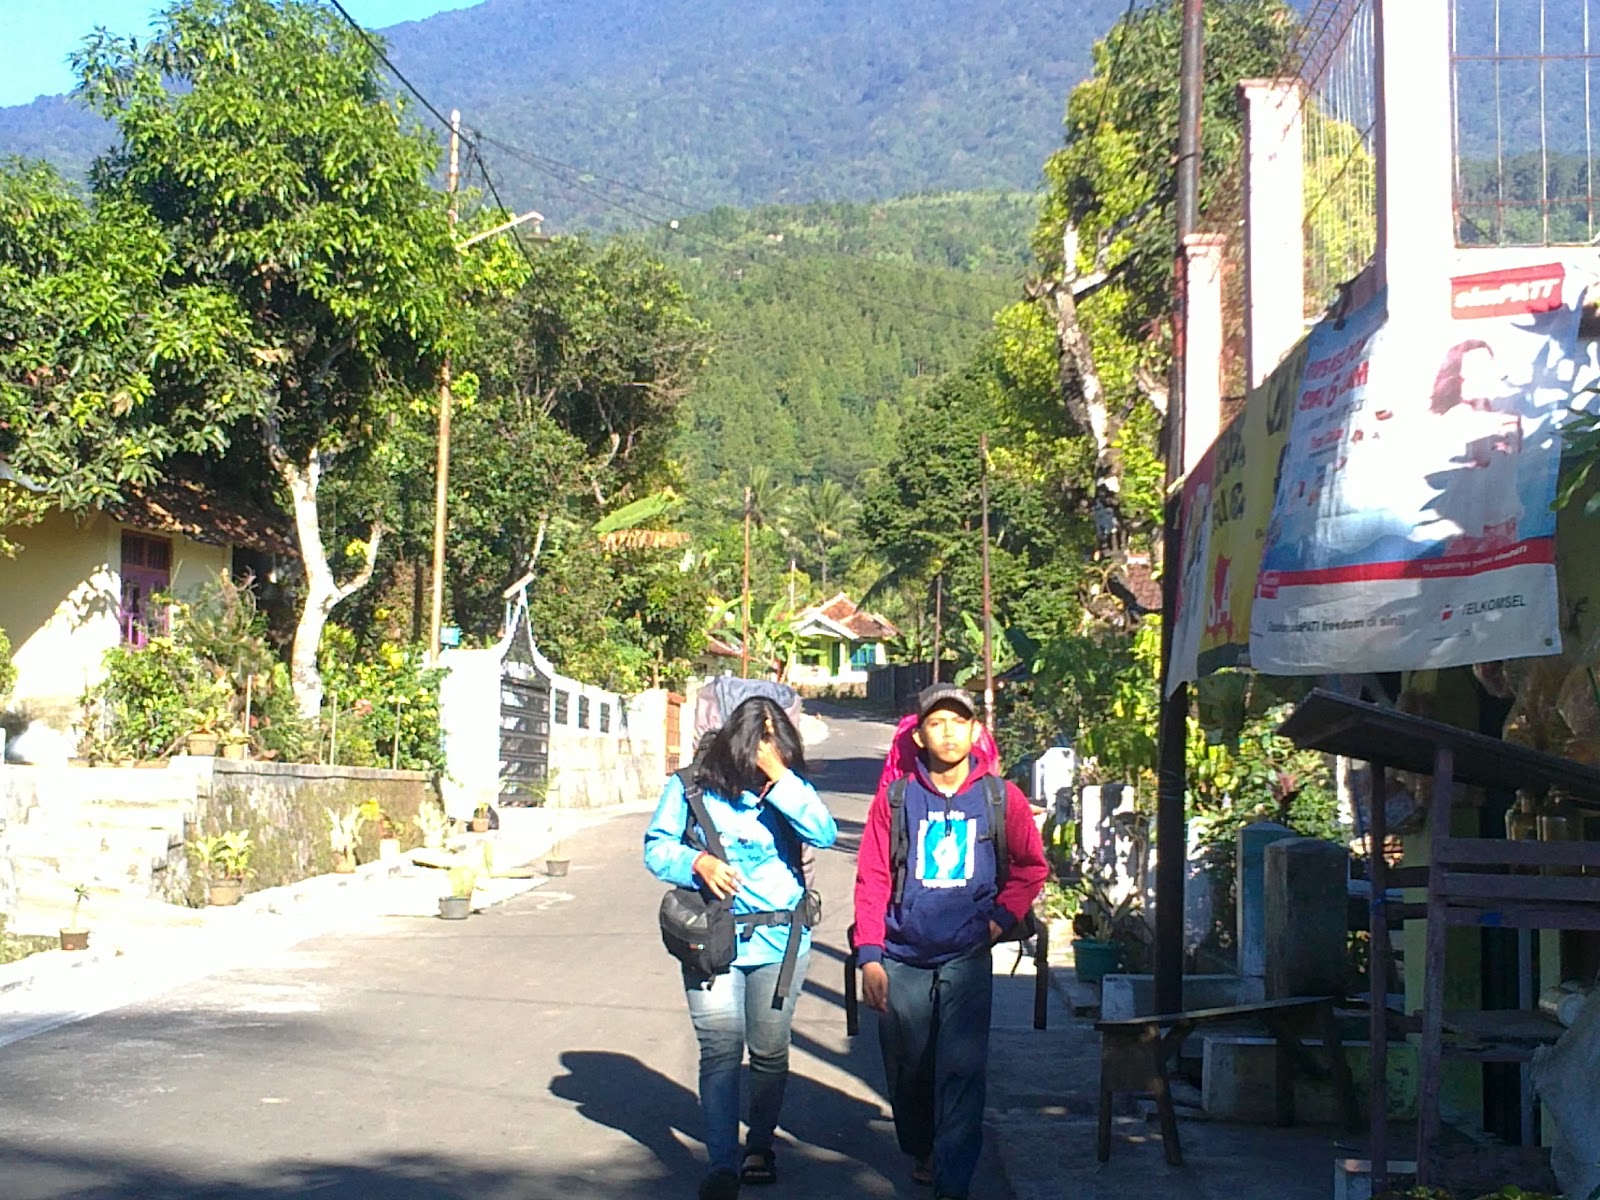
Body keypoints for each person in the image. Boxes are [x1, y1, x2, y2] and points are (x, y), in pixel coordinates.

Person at [852, 683, 1048, 1200]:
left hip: (966, 954)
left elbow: (1031, 867)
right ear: (919, 735)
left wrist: (998, 921)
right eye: (936, 723)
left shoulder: (1001, 798)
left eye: (958, 722)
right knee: (909, 1065)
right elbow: (872, 877)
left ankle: (952, 1181)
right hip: (902, 954)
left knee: (963, 1068)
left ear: (975, 731)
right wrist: (870, 957)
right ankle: (921, 1147)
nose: (948, 732)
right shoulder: (895, 800)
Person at [643, 695, 838, 1200]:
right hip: (713, 939)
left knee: (769, 1051)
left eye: (775, 747)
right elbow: (656, 846)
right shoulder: (689, 787)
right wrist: (695, 864)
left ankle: (761, 1144)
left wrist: (783, 779)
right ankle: (722, 1163)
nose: (763, 757)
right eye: (757, 746)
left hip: (780, 942)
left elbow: (824, 830)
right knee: (720, 1049)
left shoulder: (789, 789)